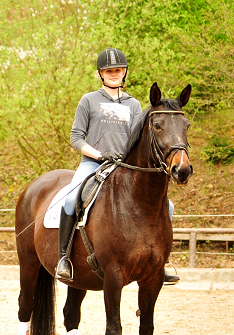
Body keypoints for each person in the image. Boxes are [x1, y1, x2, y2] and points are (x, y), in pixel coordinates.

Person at [56, 47, 179, 284]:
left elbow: (137, 139)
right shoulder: (88, 100)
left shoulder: (134, 105)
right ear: (101, 74)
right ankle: (64, 258)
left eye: (118, 70)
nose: (114, 74)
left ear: (125, 73)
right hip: (92, 163)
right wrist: (98, 154)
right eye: (109, 70)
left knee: (169, 206)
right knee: (71, 200)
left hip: (124, 166)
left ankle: (159, 263)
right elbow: (76, 137)